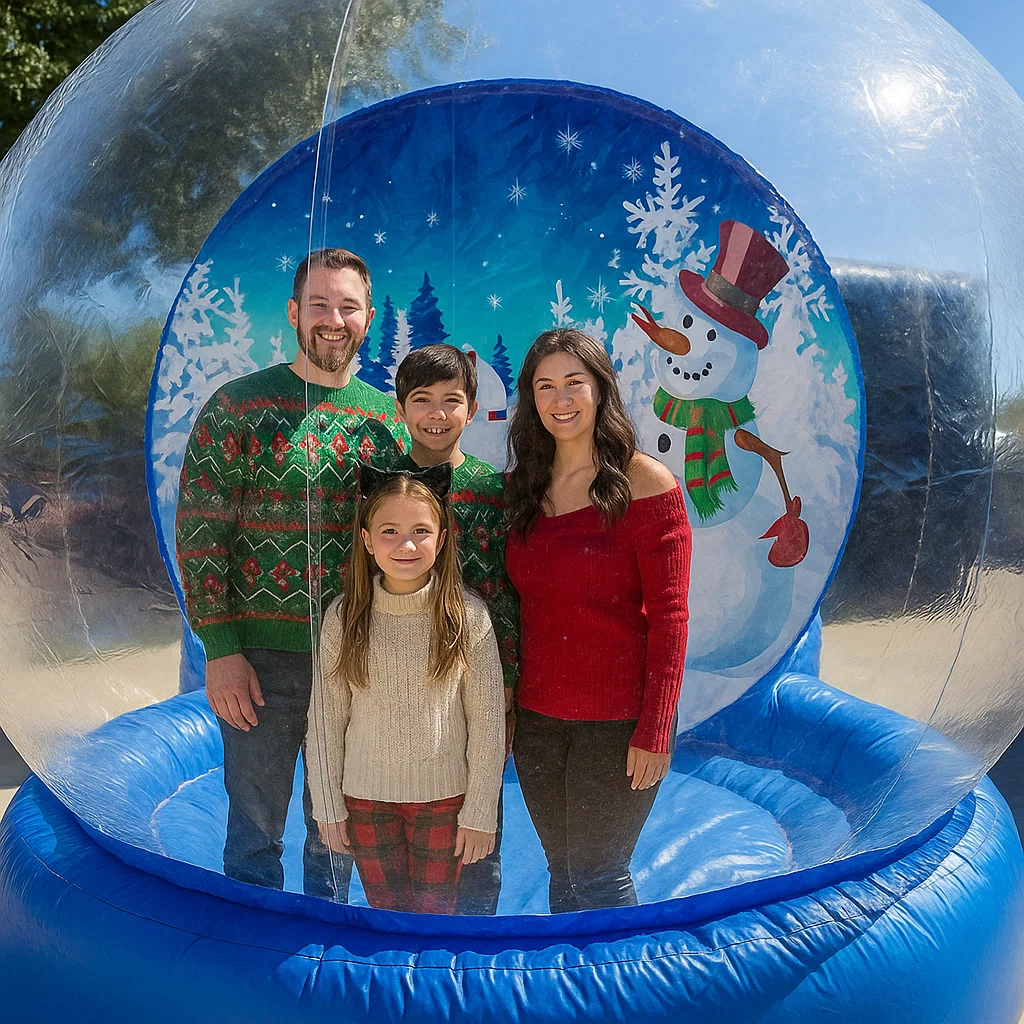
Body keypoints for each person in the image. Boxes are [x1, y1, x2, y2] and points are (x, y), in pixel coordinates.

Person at [175, 247, 409, 900]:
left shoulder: (385, 422)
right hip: (258, 668)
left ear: (366, 318)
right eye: (319, 304)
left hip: (352, 662)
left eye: (348, 306)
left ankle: (321, 970)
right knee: (254, 835)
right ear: (293, 313)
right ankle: (251, 982)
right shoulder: (238, 410)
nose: (333, 319)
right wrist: (221, 651)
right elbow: (200, 536)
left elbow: (400, 549)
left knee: (336, 837)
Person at [505, 327, 691, 913]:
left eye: (574, 384)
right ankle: (570, 1001)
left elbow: (671, 618)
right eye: (545, 387)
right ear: (530, 400)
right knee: (563, 874)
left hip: (615, 723)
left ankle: (623, 1003)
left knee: (600, 878)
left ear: (600, 390)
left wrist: (656, 730)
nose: (560, 400)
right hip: (538, 721)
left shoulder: (645, 484)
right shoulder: (522, 490)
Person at [306, 464, 505, 914]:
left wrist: (479, 812)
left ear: (442, 537)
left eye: (420, 530)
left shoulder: (465, 617)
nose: (406, 544)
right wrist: (328, 804)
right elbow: (325, 720)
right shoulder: (345, 616)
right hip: (366, 801)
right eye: (390, 531)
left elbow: (489, 725)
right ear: (367, 539)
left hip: (443, 801)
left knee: (435, 918)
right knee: (389, 919)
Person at [392, 344, 519, 915]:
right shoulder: (382, 488)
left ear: (471, 410)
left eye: (452, 401)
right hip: (395, 680)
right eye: (423, 400)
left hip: (473, 683)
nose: (437, 414)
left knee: (477, 815)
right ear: (400, 409)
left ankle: (474, 940)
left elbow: (503, 591)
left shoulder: (489, 490)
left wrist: (508, 680)